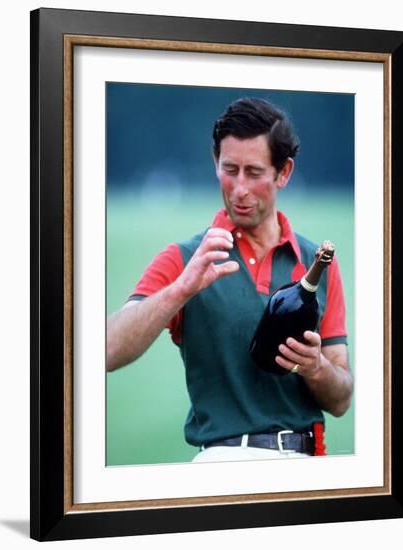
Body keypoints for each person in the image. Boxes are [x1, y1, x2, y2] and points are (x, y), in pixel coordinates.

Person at [107, 97, 353, 463]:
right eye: (229, 169)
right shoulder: (184, 258)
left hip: (308, 467)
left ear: (283, 172)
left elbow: (341, 399)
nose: (239, 188)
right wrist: (181, 289)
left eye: (253, 173)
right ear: (215, 163)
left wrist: (316, 367)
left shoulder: (319, 263)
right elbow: (109, 350)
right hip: (222, 464)